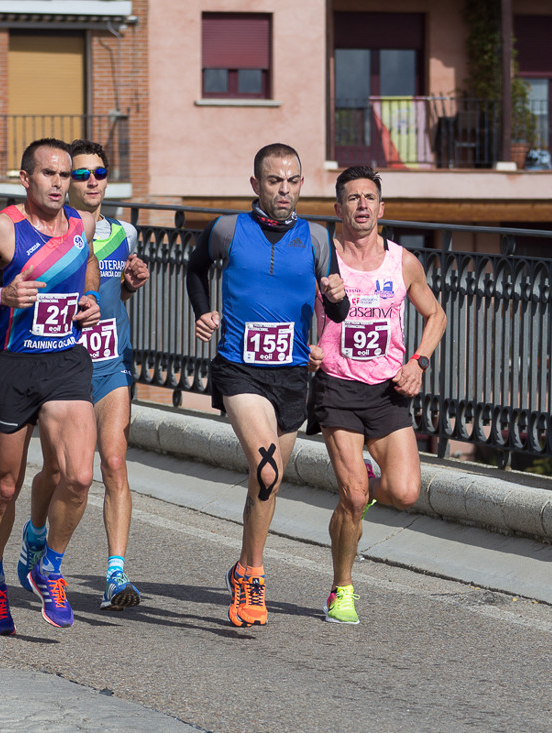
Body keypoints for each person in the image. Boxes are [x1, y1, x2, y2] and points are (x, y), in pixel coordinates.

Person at [0, 138, 101, 635]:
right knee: (6, 486)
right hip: (12, 366)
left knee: (79, 477)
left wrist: (90, 297)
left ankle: (49, 567)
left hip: (66, 362)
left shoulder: (80, 226)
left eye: (65, 174)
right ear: (26, 179)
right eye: (48, 174)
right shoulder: (2, 229)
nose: (59, 183)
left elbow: (86, 264)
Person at [186, 143, 348, 627]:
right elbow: (195, 269)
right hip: (239, 367)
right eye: (274, 181)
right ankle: (255, 575)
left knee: (266, 484)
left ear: (301, 183)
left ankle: (244, 565)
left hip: (292, 374)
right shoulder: (228, 230)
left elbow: (336, 308)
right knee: (268, 468)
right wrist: (203, 312)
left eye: (292, 180)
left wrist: (337, 299)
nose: (284, 189)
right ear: (256, 185)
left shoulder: (318, 239)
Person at [307, 165, 447, 625]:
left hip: (388, 390)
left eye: (369, 198)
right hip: (337, 386)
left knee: (406, 493)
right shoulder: (322, 258)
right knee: (351, 493)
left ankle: (360, 494)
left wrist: (419, 362)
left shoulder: (402, 261)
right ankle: (341, 589)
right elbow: (290, 308)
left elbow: (436, 315)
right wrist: (303, 350)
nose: (362, 205)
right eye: (352, 198)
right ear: (338, 208)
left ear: (381, 209)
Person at [65, 138, 149, 611]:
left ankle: (116, 574)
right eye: (82, 173)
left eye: (99, 172)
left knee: (114, 464)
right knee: (63, 473)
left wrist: (131, 284)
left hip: (113, 364)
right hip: (63, 370)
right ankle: (36, 539)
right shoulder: (55, 235)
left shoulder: (126, 233)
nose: (92, 180)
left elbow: (115, 297)